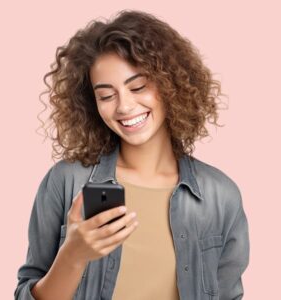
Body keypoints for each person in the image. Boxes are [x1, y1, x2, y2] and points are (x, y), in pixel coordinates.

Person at [14, 9, 249, 300]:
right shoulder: (67, 182)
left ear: (170, 84)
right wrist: (72, 256)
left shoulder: (219, 196)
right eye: (106, 95)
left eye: (138, 86)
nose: (124, 106)